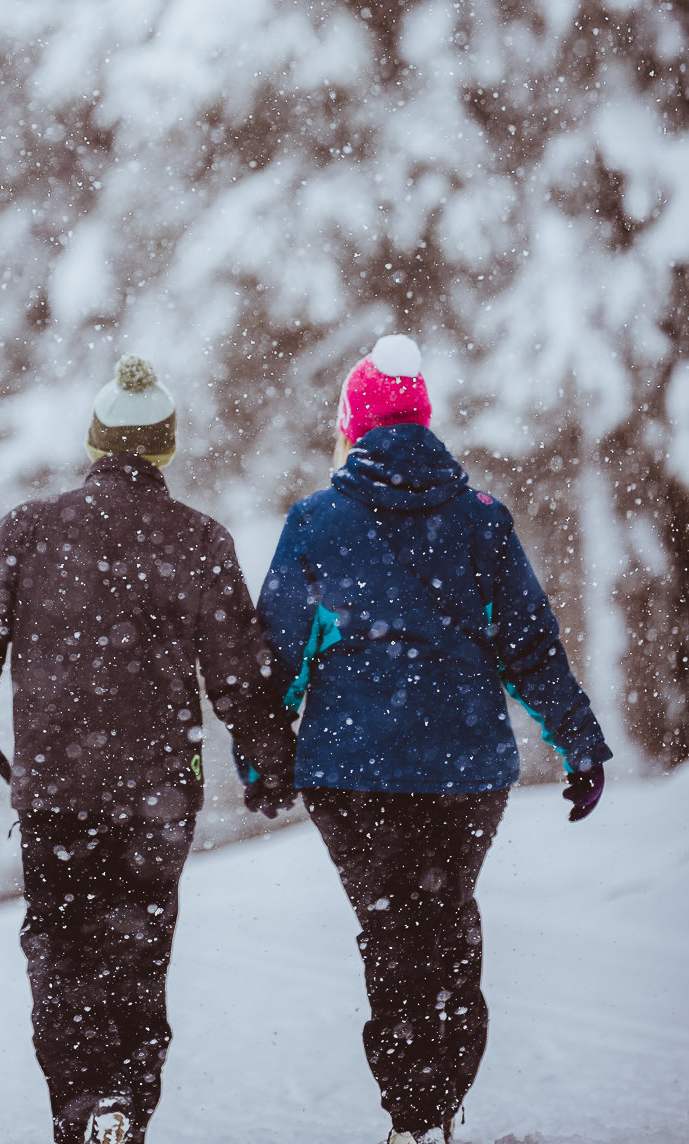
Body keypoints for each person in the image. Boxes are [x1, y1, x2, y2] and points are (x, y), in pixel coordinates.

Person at [257, 334, 611, 1144]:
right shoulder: (481, 519)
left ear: (351, 427)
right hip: (464, 767)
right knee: (446, 921)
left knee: (390, 931)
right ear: (423, 422)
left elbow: (273, 657)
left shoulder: (315, 521)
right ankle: (439, 1100)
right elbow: (529, 645)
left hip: (349, 770)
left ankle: (411, 1113)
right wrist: (577, 742)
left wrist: (263, 758)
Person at [0, 354, 296, 1144]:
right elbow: (237, 669)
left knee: (61, 949)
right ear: (163, 449)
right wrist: (267, 754)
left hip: (56, 785)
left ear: (97, 444)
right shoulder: (198, 538)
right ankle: (123, 1108)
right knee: (137, 945)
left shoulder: (30, 530)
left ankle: (81, 1109)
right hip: (158, 789)